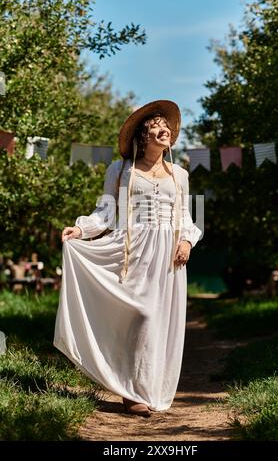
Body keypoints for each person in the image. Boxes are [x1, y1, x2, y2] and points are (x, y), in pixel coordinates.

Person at [54, 100, 202, 417]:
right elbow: (106, 212)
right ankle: (129, 388)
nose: (165, 129)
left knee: (157, 322)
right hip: (131, 249)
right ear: (143, 136)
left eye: (167, 126)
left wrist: (187, 240)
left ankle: (141, 391)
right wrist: (81, 230)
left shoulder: (180, 174)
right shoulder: (121, 170)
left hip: (168, 256)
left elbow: (187, 218)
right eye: (156, 126)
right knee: (140, 316)